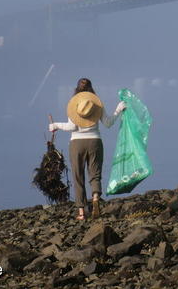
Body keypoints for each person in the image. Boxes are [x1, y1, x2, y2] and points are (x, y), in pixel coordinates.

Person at [49, 78, 126, 220]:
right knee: (95, 174)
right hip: (95, 142)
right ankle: (95, 197)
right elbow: (108, 123)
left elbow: (71, 127)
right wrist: (118, 109)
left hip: (77, 144)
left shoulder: (74, 104)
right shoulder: (96, 104)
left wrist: (56, 125)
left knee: (78, 177)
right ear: (91, 89)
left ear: (77, 89)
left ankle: (81, 212)